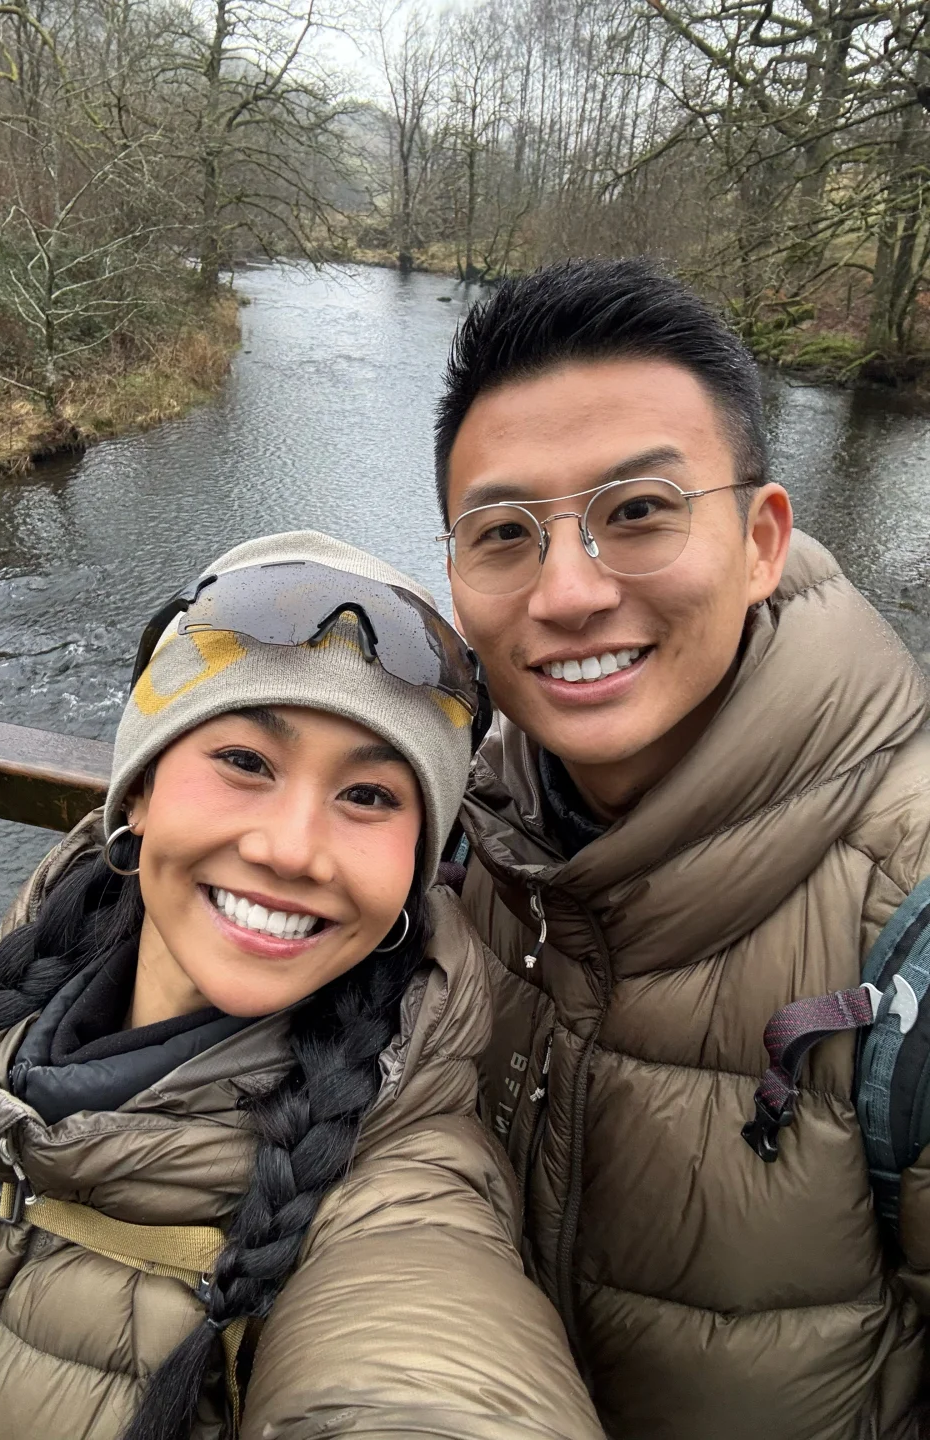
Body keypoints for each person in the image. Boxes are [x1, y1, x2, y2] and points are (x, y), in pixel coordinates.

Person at [0, 532, 604, 1440]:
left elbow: (431, 1366)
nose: (290, 848)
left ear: (415, 870)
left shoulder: (394, 1194)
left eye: (369, 796)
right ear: (138, 792)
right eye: (246, 762)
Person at [436, 258, 930, 1440]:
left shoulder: (909, 934)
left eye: (639, 512)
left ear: (762, 541)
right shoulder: (455, 831)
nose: (567, 593)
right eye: (504, 533)